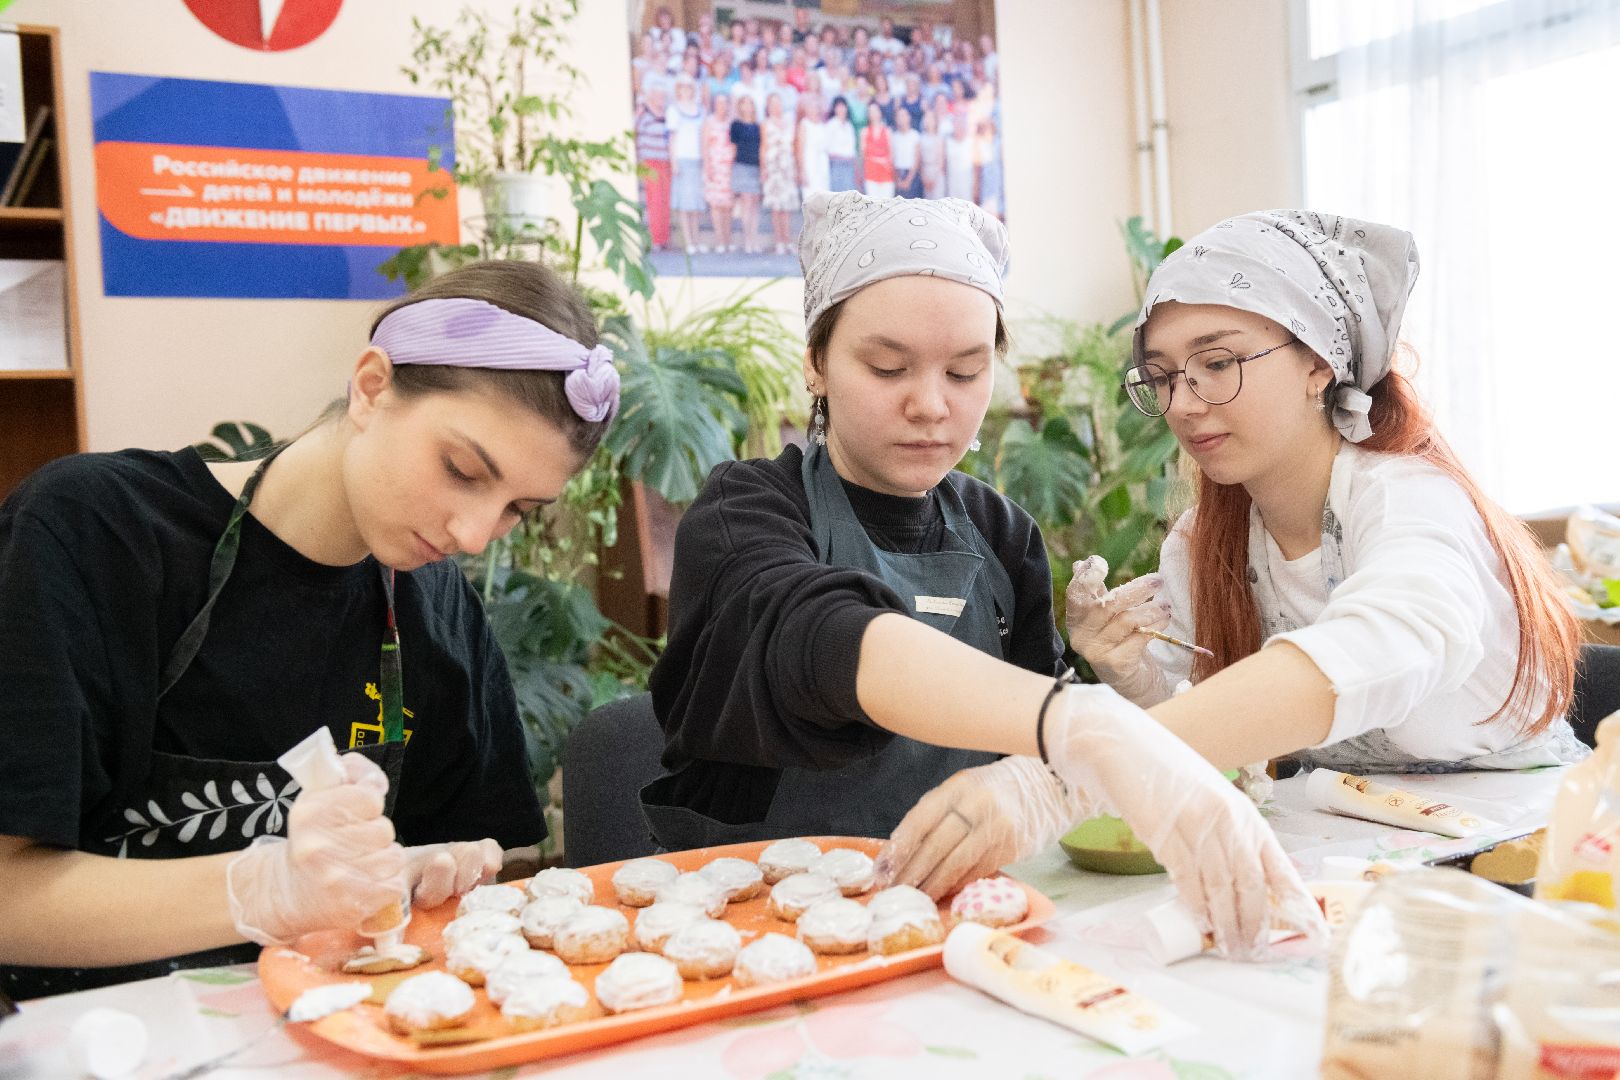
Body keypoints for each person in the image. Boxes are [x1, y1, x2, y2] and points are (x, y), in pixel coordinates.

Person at [644, 191, 1321, 958]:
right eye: (887, 366)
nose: (930, 405)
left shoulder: (1000, 535)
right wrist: (1078, 724)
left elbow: (1027, 759)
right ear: (815, 363)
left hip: (964, 924)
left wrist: (1113, 689)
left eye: (966, 372)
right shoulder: (747, 512)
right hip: (760, 932)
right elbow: (811, 630)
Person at [0, 260, 622, 999]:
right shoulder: (93, 536)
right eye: (461, 468)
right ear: (371, 386)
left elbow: (462, 869)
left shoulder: (439, 610)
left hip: (335, 1029)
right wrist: (262, 889)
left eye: (519, 508)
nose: (477, 532)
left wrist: (419, 875)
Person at [1069, 210, 1586, 775]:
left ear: (1318, 363)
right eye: (1163, 376)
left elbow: (1392, 639)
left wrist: (1096, 764)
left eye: (1217, 363)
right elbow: (1212, 743)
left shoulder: (1407, 498)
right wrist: (1133, 675)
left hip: (1533, 834)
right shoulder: (1204, 542)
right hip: (1353, 843)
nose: (1185, 404)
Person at [665, 78, 705, 255]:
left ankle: (697, 241)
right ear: (678, 90)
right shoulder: (673, 110)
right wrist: (673, 162)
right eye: (683, 87)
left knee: (695, 204)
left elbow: (703, 135)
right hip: (682, 158)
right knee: (684, 204)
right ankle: (688, 242)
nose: (686, 90)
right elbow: (672, 139)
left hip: (697, 158)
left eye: (689, 87)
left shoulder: (700, 110)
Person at [634, 85, 672, 251]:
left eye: (662, 97)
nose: (660, 100)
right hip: (650, 162)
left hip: (665, 162)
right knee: (654, 200)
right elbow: (634, 131)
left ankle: (664, 238)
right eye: (657, 96)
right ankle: (655, 239)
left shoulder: (666, 115)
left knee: (664, 201)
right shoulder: (645, 114)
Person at [761, 92, 799, 255]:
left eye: (778, 103)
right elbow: (763, 147)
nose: (776, 107)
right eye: (772, 104)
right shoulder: (766, 124)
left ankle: (788, 240)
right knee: (776, 206)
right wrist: (763, 168)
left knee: (787, 205)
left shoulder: (790, 123)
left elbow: (795, 147)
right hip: (773, 167)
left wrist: (797, 168)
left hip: (787, 166)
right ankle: (779, 242)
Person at [701, 92, 736, 254]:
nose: (722, 107)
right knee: (716, 204)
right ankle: (720, 240)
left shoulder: (731, 122)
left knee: (728, 205)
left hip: (729, 167)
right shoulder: (709, 122)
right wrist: (707, 165)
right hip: (715, 166)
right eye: (719, 103)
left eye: (725, 103)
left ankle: (728, 240)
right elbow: (704, 145)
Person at [729, 94, 764, 255]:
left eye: (750, 103)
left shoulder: (758, 126)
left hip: (755, 166)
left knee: (755, 205)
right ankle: (747, 240)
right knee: (746, 204)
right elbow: (733, 147)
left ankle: (754, 238)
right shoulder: (736, 125)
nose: (747, 107)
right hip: (742, 165)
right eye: (744, 103)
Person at [797, 93, 830, 201]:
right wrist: (802, 171)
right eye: (811, 107)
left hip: (822, 164)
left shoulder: (822, 125)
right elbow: (800, 149)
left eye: (816, 107)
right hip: (809, 165)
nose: (814, 109)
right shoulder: (804, 124)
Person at [824, 96, 857, 192]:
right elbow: (827, 146)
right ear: (834, 109)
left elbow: (852, 147)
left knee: (849, 195)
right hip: (836, 164)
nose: (841, 109)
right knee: (837, 195)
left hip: (849, 164)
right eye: (838, 107)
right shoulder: (830, 125)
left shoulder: (849, 125)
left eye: (843, 107)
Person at [861, 105, 895, 198]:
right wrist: (879, 160)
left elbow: (891, 155)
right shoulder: (865, 132)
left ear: (880, 112)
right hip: (871, 174)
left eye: (875, 111)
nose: (873, 114)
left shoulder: (887, 131)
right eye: (870, 111)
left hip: (886, 175)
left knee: (887, 205)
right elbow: (864, 155)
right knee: (873, 206)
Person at [891, 106, 921, 199]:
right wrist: (898, 179)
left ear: (909, 117)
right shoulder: (894, 136)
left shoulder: (915, 135)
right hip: (897, 174)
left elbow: (917, 159)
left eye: (904, 115)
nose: (901, 118)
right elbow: (892, 158)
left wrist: (908, 180)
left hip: (912, 175)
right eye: (899, 116)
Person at [918, 109, 946, 199]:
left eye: (931, 118)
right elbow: (920, 160)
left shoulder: (939, 137)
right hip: (925, 172)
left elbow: (940, 161)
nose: (928, 120)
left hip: (936, 174)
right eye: (926, 118)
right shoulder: (921, 138)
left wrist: (933, 179)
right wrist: (924, 178)